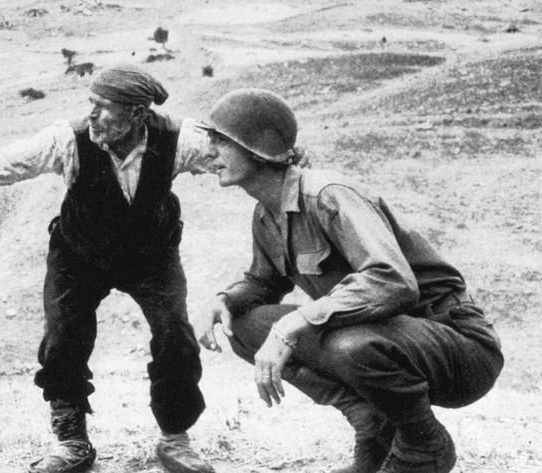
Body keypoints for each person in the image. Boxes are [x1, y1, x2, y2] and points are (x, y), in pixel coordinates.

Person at [0, 64, 217, 473]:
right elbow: (5, 161)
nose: (91, 116)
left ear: (138, 115)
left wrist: (281, 157)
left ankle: (175, 438)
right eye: (90, 104)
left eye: (103, 108)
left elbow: (233, 150)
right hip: (80, 252)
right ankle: (72, 441)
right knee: (63, 337)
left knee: (175, 335)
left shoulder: (179, 138)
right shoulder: (68, 140)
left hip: (150, 253)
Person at [195, 88, 503, 473]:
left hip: (458, 346)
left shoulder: (328, 195)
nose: (207, 153)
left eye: (219, 141)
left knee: (347, 344)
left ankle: (424, 446)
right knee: (242, 323)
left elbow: (392, 280)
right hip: (388, 341)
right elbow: (263, 283)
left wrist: (296, 321)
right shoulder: (266, 213)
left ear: (258, 149)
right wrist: (225, 299)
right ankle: (370, 422)